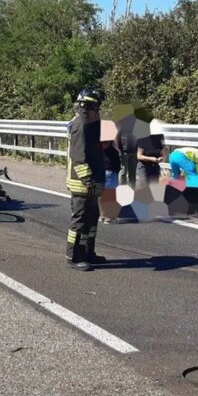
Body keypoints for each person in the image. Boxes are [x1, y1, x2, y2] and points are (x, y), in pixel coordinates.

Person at [66, 87, 106, 271]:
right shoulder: (80, 125)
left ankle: (88, 252)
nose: (98, 111)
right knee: (80, 221)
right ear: (87, 107)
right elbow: (78, 157)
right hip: (82, 183)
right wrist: (89, 180)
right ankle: (74, 256)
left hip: (92, 183)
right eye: (96, 107)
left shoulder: (89, 124)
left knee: (91, 221)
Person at [99, 137, 121, 224]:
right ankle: (107, 216)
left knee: (101, 195)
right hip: (110, 171)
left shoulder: (97, 147)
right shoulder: (114, 148)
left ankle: (103, 215)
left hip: (102, 171)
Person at [116, 118, 138, 188]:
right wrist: (119, 150)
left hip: (134, 151)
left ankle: (132, 190)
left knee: (132, 172)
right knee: (123, 171)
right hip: (124, 151)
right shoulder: (121, 123)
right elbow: (117, 137)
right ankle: (122, 189)